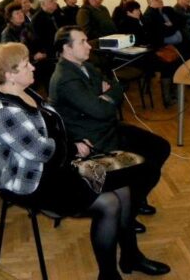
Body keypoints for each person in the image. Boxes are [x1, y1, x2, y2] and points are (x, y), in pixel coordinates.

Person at [0, 42, 170, 280]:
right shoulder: (3, 111)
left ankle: (131, 256)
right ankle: (109, 275)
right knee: (109, 203)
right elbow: (41, 152)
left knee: (128, 184)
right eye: (25, 65)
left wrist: (73, 141)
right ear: (9, 75)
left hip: (54, 167)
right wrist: (72, 147)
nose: (33, 67)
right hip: (31, 181)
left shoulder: (24, 91)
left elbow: (53, 127)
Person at [49, 26, 171, 233]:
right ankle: (128, 213)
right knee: (148, 167)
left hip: (107, 128)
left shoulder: (85, 66)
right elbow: (101, 110)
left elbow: (116, 85)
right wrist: (105, 96)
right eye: (83, 42)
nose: (89, 45)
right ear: (66, 48)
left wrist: (106, 94)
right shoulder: (65, 78)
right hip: (93, 140)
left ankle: (134, 200)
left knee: (160, 147)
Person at [142, 0, 184, 107]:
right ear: (150, 2)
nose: (160, 0)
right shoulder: (149, 15)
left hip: (165, 47)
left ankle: (174, 93)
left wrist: (171, 25)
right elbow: (160, 34)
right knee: (168, 64)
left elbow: (180, 22)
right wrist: (171, 26)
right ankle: (167, 99)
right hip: (154, 50)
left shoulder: (164, 10)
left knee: (178, 59)